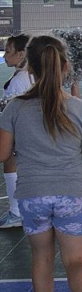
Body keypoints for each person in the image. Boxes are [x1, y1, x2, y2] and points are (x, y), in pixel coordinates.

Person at [0, 35, 82, 292]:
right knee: (76, 261)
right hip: (70, 194)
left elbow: (2, 154)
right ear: (66, 66)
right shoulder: (80, 108)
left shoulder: (14, 109)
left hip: (32, 195)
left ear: (29, 67)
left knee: (42, 259)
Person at [0, 34, 34, 229]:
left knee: (10, 163)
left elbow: (12, 111)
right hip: (29, 132)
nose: (4, 55)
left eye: (8, 51)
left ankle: (16, 212)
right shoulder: (29, 75)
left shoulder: (20, 80)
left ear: (21, 54)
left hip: (20, 132)